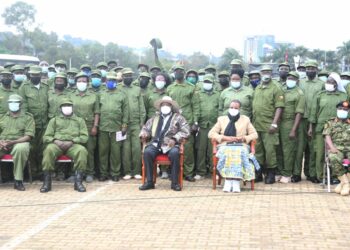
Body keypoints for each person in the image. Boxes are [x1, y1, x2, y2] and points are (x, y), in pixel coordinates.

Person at [139, 96, 190, 191]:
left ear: (171, 106)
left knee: (175, 154)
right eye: (163, 105)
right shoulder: (154, 119)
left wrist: (175, 138)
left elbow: (186, 131)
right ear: (160, 107)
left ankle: (175, 183)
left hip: (171, 145)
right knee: (147, 152)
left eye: (167, 105)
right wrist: (144, 134)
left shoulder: (179, 118)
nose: (165, 106)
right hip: (156, 144)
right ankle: (150, 182)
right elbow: (145, 129)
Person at [208, 100, 258, 192]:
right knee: (228, 152)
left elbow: (254, 134)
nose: (233, 109)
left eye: (236, 108)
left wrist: (244, 138)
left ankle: (236, 182)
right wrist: (225, 138)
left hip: (241, 145)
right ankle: (228, 181)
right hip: (225, 144)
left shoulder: (245, 119)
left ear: (239, 109)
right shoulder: (221, 119)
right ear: (228, 108)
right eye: (231, 107)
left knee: (239, 152)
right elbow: (211, 133)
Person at [40, 98, 88, 193]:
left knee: (82, 151)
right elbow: (46, 137)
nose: (67, 108)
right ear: (60, 108)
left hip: (73, 145)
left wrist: (73, 141)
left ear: (72, 108)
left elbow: (84, 137)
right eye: (64, 106)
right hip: (57, 144)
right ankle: (47, 183)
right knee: (48, 150)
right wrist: (55, 140)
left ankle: (78, 182)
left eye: (69, 106)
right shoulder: (54, 120)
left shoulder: (79, 120)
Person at [309, 72, 348, 183]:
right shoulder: (320, 95)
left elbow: (346, 112)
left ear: (336, 84)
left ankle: (336, 176)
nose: (329, 84)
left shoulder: (343, 96)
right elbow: (313, 112)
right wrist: (311, 127)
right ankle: (321, 177)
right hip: (320, 128)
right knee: (319, 153)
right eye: (327, 81)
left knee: (336, 153)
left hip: (338, 130)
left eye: (331, 82)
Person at [166, 65, 200, 182]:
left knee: (188, 148)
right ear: (174, 73)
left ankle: (188, 173)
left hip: (187, 121)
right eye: (176, 71)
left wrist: (195, 122)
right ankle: (174, 171)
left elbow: (196, 105)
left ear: (184, 73)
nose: (178, 73)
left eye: (180, 71)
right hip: (173, 122)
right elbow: (167, 105)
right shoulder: (170, 88)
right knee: (172, 146)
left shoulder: (191, 88)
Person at [252, 65, 285, 184]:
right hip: (257, 124)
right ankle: (259, 172)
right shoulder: (258, 87)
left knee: (270, 150)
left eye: (268, 72)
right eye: (264, 72)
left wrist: (274, 124)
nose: (266, 74)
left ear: (271, 73)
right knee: (258, 150)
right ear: (261, 73)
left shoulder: (276, 88)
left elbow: (279, 107)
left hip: (269, 125)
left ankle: (271, 173)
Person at [19, 65, 49, 179]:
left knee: (43, 148)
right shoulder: (24, 87)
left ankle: (42, 172)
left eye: (37, 75)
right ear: (29, 75)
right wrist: (28, 122)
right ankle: (33, 172)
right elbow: (24, 106)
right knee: (31, 149)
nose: (35, 77)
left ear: (41, 75)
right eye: (32, 75)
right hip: (31, 124)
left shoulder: (46, 86)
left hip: (45, 123)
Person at [296, 60, 324, 183]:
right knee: (299, 147)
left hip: (315, 120)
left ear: (317, 70)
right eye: (308, 68)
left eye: (313, 68)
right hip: (301, 119)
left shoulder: (322, 84)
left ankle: (311, 173)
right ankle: (296, 173)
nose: (310, 70)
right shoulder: (300, 82)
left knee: (312, 149)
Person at [0, 94, 35, 191]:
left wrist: (13, 142)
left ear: (20, 104)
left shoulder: (28, 117)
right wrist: (1, 142)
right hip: (3, 142)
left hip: (19, 142)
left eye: (15, 102)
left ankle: (18, 180)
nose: (13, 104)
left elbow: (28, 136)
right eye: (11, 102)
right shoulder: (2, 117)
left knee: (21, 149)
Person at [98, 72, 129, 182]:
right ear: (105, 82)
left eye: (113, 81)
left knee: (116, 151)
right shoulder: (101, 94)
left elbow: (125, 111)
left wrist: (124, 125)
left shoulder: (121, 94)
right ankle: (103, 173)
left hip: (117, 127)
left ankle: (115, 173)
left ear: (116, 82)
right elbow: (97, 111)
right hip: (103, 127)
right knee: (103, 151)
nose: (111, 82)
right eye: (109, 80)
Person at [70, 72, 100, 183]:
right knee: (75, 150)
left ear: (87, 83)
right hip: (74, 127)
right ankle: (77, 172)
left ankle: (89, 173)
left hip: (89, 126)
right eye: (79, 81)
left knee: (89, 150)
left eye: (84, 81)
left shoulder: (93, 95)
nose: (81, 83)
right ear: (76, 82)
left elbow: (97, 112)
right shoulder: (71, 95)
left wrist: (95, 126)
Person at [279, 71, 305, 183]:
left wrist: (293, 129)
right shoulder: (282, 90)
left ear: (297, 81)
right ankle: (280, 171)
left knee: (288, 150)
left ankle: (287, 173)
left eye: (293, 79)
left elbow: (299, 113)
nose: (290, 80)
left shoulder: (299, 93)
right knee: (279, 148)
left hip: (290, 122)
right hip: (279, 122)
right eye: (289, 78)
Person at [120, 68, 146, 180]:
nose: (128, 77)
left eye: (130, 75)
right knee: (126, 149)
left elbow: (142, 107)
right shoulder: (118, 89)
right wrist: (121, 124)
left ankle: (136, 171)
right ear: (122, 77)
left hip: (136, 123)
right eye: (126, 76)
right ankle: (127, 171)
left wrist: (142, 122)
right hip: (123, 124)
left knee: (136, 148)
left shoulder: (137, 89)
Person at [195, 75, 220, 179]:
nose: (207, 83)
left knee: (213, 149)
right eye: (205, 81)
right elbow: (196, 107)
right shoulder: (198, 94)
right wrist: (196, 122)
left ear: (213, 83)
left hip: (214, 125)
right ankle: (201, 171)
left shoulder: (218, 94)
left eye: (209, 82)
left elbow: (220, 108)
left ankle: (213, 170)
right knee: (201, 148)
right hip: (202, 125)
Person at [323, 101, 350, 196]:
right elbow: (327, 136)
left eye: (345, 110)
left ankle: (344, 183)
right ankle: (346, 183)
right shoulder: (330, 122)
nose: (342, 111)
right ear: (337, 110)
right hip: (337, 149)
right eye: (340, 109)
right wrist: (332, 147)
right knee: (334, 158)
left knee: (348, 161)